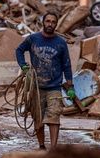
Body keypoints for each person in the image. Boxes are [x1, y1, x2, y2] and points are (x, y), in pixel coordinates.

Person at [15, 12, 74, 150]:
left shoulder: (61, 43)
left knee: (54, 117)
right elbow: (19, 50)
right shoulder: (33, 39)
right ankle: (42, 146)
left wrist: (70, 85)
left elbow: (67, 64)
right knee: (38, 118)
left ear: (56, 24)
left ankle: (53, 148)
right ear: (43, 22)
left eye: (53, 22)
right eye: (48, 21)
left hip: (54, 86)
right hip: (37, 86)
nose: (50, 24)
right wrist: (23, 65)